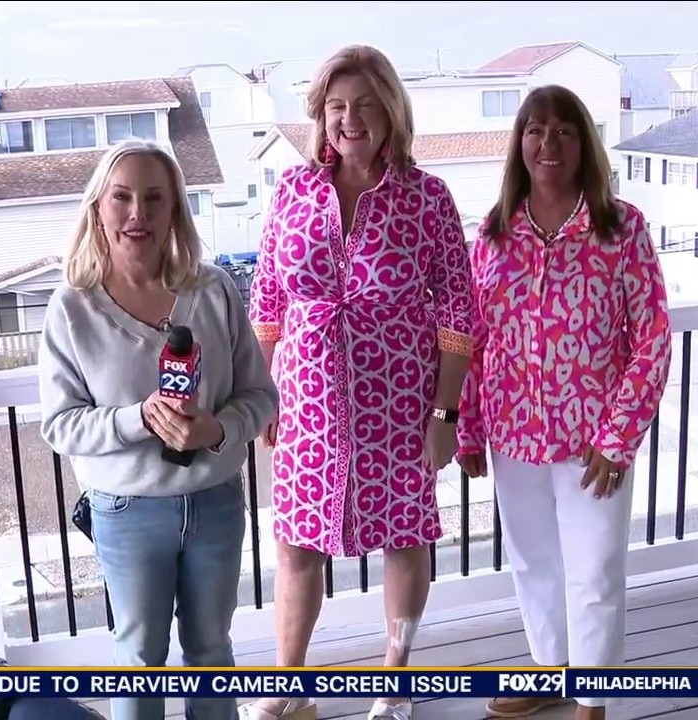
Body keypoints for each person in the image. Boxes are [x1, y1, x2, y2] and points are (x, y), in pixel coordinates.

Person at [242, 44, 477, 720]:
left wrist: (445, 415)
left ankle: (395, 680)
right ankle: (289, 685)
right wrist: (264, 394)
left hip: (401, 405)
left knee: (405, 540)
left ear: (391, 111)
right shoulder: (292, 191)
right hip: (307, 404)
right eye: (337, 106)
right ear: (320, 116)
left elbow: (458, 313)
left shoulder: (427, 198)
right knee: (296, 545)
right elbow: (267, 301)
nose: (350, 119)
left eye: (366, 105)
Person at [37, 138, 279, 720]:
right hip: (127, 511)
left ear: (174, 210)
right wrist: (138, 418)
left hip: (216, 502)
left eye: (154, 198)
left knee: (212, 652)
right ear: (98, 208)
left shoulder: (214, 289)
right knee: (140, 658)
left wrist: (216, 430)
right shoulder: (72, 308)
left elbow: (261, 397)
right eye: (121, 197)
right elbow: (60, 425)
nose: (137, 213)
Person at [456, 85, 673, 720]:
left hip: (592, 442)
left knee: (595, 570)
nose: (548, 143)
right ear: (519, 144)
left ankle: (594, 697)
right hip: (513, 436)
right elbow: (474, 338)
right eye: (535, 130)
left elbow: (653, 338)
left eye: (564, 131)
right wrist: (468, 427)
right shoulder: (493, 234)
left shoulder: (621, 228)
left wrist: (618, 438)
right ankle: (550, 670)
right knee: (535, 565)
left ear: (584, 144)